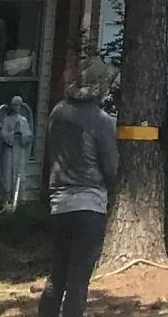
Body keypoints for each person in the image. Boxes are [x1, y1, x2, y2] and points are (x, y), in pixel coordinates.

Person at [38, 61, 120, 317]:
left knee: (57, 275)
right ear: (101, 89)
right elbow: (111, 168)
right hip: (90, 205)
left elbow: (49, 154)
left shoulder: (58, 112)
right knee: (78, 281)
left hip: (59, 204)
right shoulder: (101, 121)